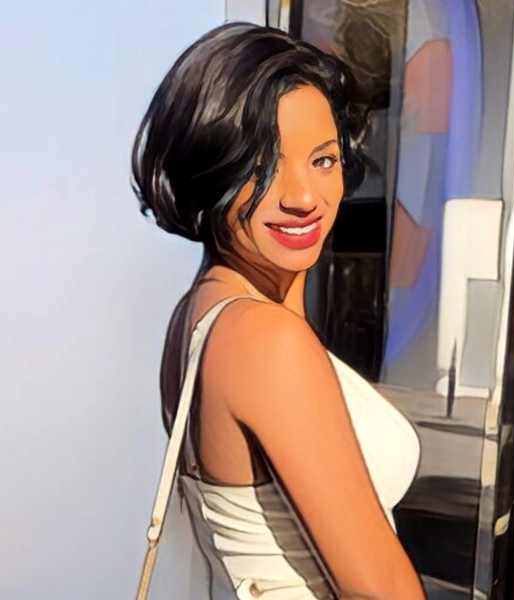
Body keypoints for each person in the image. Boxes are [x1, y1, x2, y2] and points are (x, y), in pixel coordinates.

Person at [131, 22, 424, 600]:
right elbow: (380, 588)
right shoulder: (264, 338)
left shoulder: (200, 314)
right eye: (263, 165)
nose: (303, 197)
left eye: (323, 160)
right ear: (209, 169)